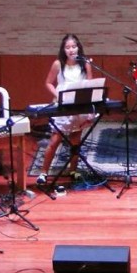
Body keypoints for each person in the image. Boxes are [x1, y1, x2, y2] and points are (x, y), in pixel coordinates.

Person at [37, 33, 95, 186]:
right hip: (63, 106)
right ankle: (43, 172)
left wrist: (89, 111)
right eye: (68, 47)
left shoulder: (85, 64)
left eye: (73, 47)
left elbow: (90, 85)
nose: (71, 50)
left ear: (78, 48)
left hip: (79, 106)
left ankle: (73, 170)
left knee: (75, 141)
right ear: (63, 50)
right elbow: (48, 83)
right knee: (55, 140)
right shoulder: (58, 64)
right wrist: (58, 94)